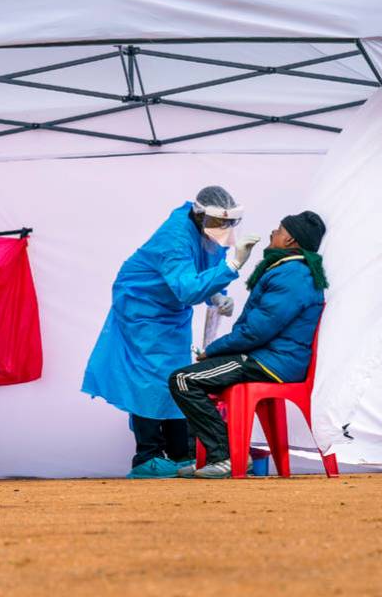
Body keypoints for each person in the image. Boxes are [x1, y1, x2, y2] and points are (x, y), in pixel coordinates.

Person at [82, 186, 261, 478]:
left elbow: (205, 268)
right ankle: (147, 456)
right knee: (149, 378)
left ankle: (180, 454)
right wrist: (232, 266)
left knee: (178, 375)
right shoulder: (175, 237)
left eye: (229, 223)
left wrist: (217, 294)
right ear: (199, 214)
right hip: (141, 306)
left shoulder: (207, 230)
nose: (224, 230)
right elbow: (188, 287)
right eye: (218, 223)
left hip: (173, 308)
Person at [169, 210, 327, 479]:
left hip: (269, 361)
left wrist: (212, 350)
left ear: (290, 240)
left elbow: (257, 331)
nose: (272, 234)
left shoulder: (292, 275)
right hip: (270, 358)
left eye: (278, 230)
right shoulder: (293, 271)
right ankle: (229, 455)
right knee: (195, 379)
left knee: (184, 380)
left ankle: (225, 457)